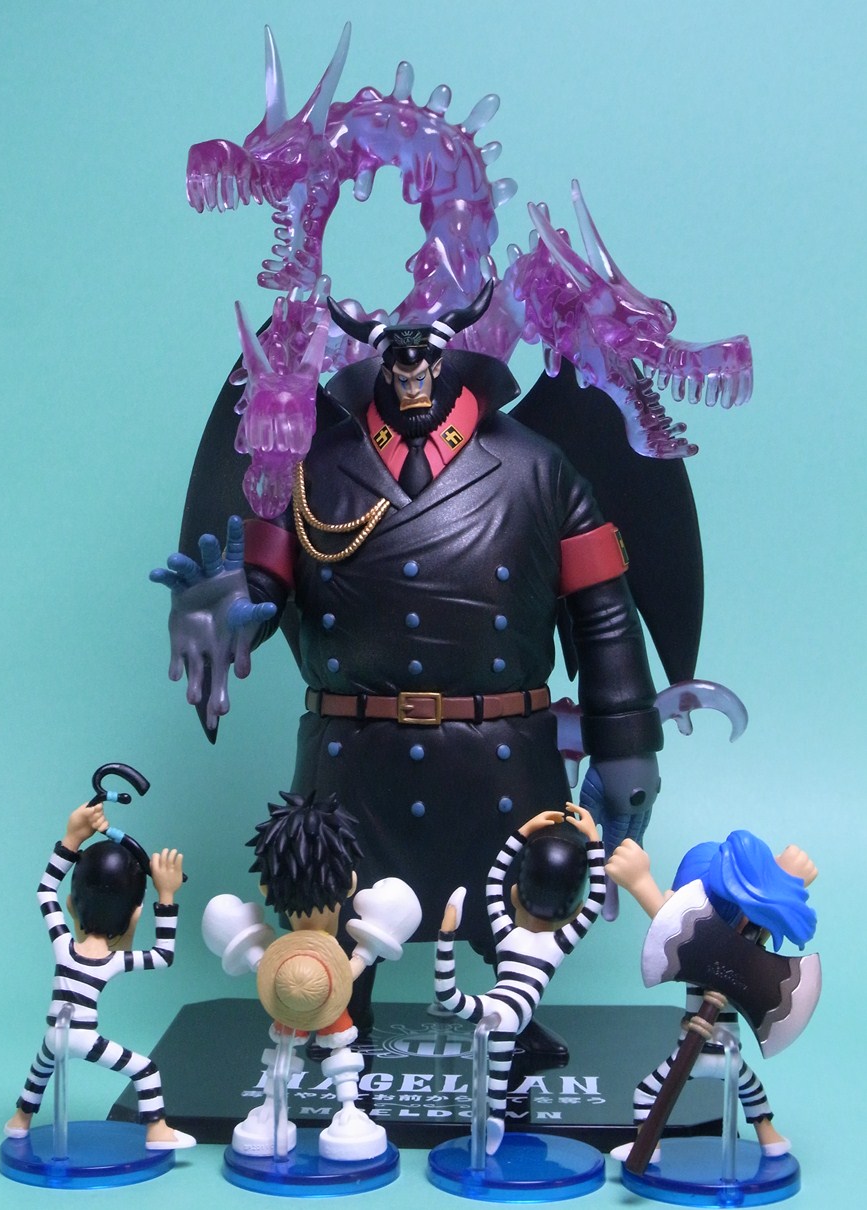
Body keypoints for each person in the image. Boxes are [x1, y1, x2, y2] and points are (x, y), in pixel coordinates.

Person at [153, 283, 662, 1027]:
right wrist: (222, 607)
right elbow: (263, 590)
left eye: (426, 358)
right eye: (398, 359)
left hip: (503, 762)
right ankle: (334, 1017)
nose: (411, 374)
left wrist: (626, 744)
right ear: (377, 363)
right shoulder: (308, 472)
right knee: (332, 919)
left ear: (452, 360)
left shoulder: (541, 469)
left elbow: (606, 612)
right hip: (352, 768)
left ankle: (513, 1023)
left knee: (519, 915)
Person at [216, 790, 419, 1160]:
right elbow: (354, 966)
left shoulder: (277, 955)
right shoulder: (340, 951)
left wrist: (254, 956)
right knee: (334, 1052)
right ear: (350, 883)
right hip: (325, 1001)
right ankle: (347, 1112)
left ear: (266, 888)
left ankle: (276, 1110)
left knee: (285, 1052)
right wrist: (367, 950)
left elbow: (261, 965)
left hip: (290, 1003)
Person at [606, 830, 818, 1164]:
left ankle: (648, 1148)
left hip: (705, 1049)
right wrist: (789, 883)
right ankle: (768, 1138)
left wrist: (640, 882)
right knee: (748, 1088)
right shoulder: (703, 950)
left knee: (649, 1092)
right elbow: (674, 924)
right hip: (717, 1050)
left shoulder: (721, 952)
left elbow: (674, 924)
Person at [5, 803, 195, 1150]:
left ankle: (20, 1121)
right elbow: (163, 955)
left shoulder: (64, 945)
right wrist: (166, 895)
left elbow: (45, 891)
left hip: (53, 1035)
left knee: (40, 1071)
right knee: (145, 1070)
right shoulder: (112, 961)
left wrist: (72, 838)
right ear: (133, 916)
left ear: (72, 906)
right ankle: (157, 1131)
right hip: (82, 1038)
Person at [435, 802, 605, 1153]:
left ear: (515, 894)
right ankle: (493, 1120)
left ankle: (445, 938)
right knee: (495, 1079)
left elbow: (493, 881)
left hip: (495, 1006)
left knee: (449, 997)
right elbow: (597, 898)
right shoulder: (558, 944)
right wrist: (593, 841)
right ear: (573, 910)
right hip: (512, 1013)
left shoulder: (505, 934)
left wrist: (523, 832)